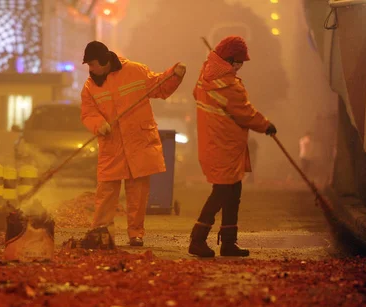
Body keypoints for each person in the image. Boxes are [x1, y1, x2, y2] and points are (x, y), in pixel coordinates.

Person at [80, 41, 186, 247]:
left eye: (92, 64)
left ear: (104, 61)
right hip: (112, 144)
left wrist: (175, 74)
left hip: (138, 142)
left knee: (138, 192)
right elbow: (88, 113)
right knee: (106, 190)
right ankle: (101, 230)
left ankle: (136, 234)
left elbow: (160, 87)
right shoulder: (90, 86)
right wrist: (98, 124)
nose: (90, 70)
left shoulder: (136, 71)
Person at [189, 36, 277, 258]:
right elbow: (245, 113)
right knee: (222, 192)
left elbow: (195, 93)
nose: (240, 67)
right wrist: (266, 125)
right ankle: (197, 239)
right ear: (229, 60)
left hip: (217, 144)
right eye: (239, 62)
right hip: (224, 147)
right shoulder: (227, 85)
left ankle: (229, 242)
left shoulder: (206, 75)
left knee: (232, 192)